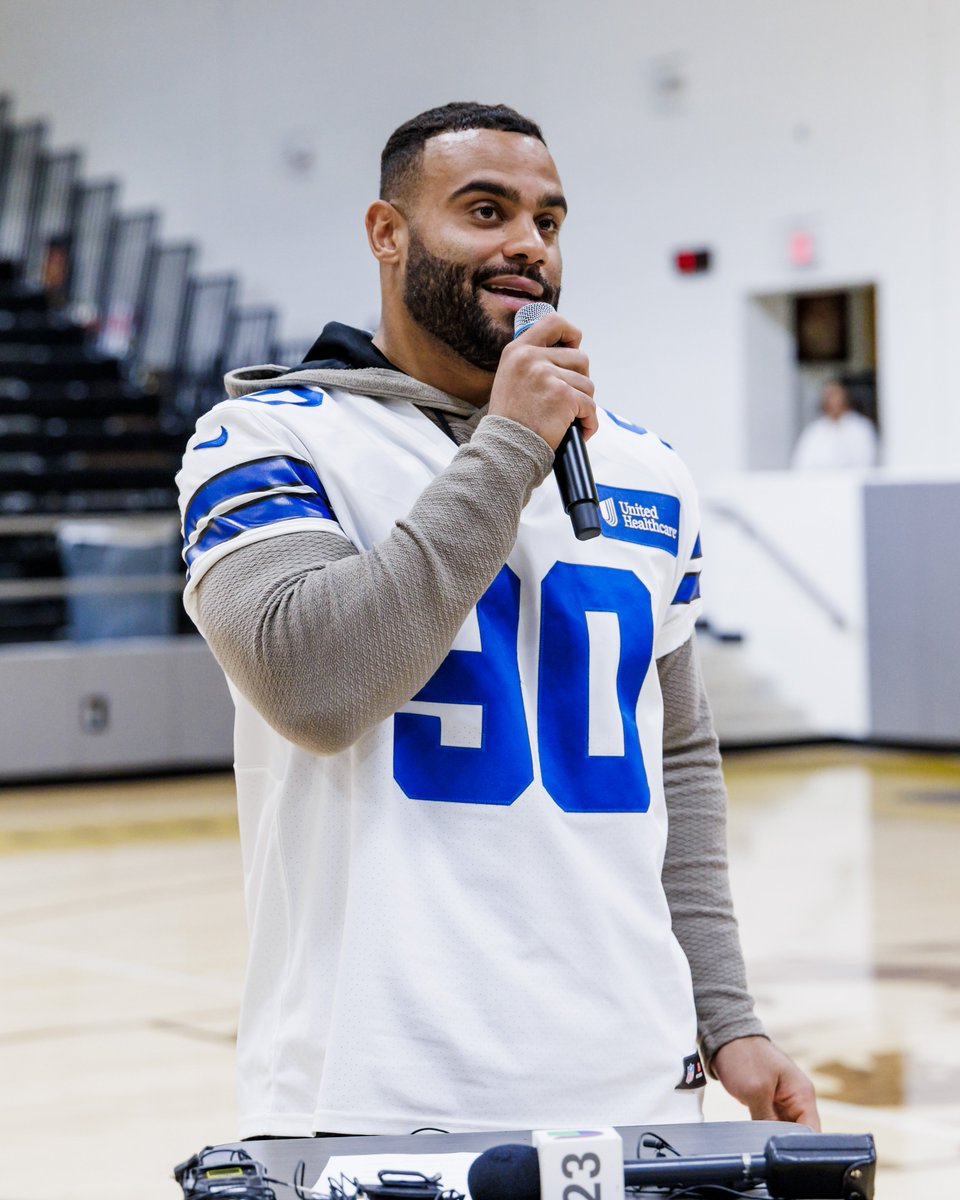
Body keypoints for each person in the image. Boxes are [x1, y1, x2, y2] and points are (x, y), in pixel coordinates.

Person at [177, 102, 818, 1139]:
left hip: (637, 1078)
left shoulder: (646, 468)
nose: (527, 244)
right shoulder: (263, 439)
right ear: (388, 233)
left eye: (549, 221)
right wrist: (513, 442)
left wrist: (726, 1015)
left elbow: (680, 757)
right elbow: (312, 684)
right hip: (378, 1089)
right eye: (486, 210)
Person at [791, 379, 879, 469]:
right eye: (827, 396)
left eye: (834, 395)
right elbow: (801, 464)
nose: (830, 400)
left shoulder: (861, 427)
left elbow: (866, 461)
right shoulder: (814, 431)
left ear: (845, 397)